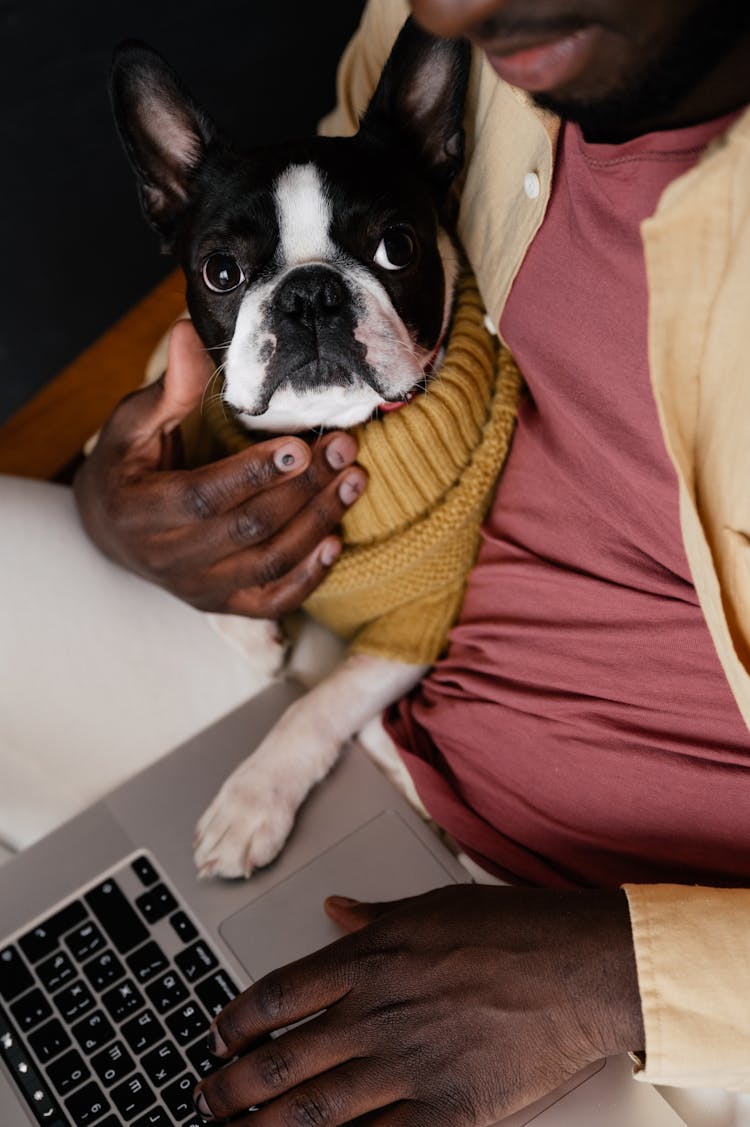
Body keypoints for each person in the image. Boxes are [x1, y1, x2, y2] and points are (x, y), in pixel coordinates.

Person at [4, 0, 750, 1123]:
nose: (444, 7)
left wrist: (622, 978)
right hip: (345, 673)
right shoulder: (467, 33)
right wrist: (119, 502)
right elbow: (302, 200)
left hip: (623, 954)